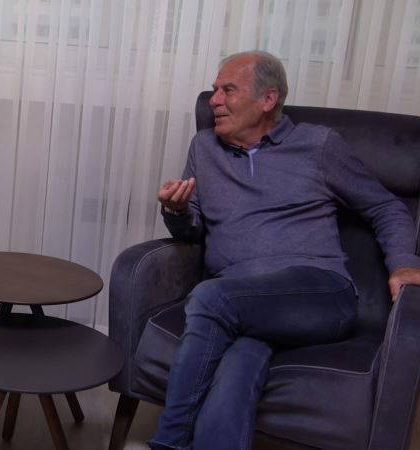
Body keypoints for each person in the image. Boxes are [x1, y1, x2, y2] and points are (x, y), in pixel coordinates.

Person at [150, 50, 420, 450]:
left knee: (210, 297)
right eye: (214, 90)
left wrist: (403, 264)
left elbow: (385, 207)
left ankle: (169, 441)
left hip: (318, 293)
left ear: (268, 99)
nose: (214, 101)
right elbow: (194, 228)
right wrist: (176, 211)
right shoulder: (204, 148)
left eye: (228, 90)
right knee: (239, 362)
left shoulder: (318, 145)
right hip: (243, 298)